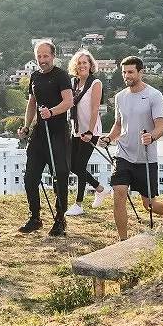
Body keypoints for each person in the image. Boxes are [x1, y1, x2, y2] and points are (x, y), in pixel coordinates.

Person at [100, 56, 163, 240]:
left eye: (131, 72)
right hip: (123, 154)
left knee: (148, 204)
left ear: (141, 72)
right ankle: (122, 241)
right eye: (124, 72)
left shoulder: (154, 95)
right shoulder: (120, 97)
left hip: (146, 158)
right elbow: (119, 125)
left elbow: (161, 126)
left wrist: (152, 136)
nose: (127, 76)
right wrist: (109, 138)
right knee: (118, 193)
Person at [17, 40, 73, 236]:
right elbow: (32, 104)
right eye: (39, 56)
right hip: (40, 133)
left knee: (60, 176)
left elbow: (68, 102)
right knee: (30, 177)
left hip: (58, 132)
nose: (42, 60)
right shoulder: (34, 77)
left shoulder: (62, 76)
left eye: (45, 56)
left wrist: (52, 112)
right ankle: (35, 217)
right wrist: (26, 126)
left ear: (53, 56)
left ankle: (60, 219)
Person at [65, 49, 108, 216]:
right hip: (76, 130)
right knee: (73, 165)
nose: (82, 65)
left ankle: (79, 204)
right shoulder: (74, 83)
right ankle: (100, 188)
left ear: (90, 65)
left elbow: (95, 109)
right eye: (79, 63)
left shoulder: (95, 83)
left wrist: (90, 131)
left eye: (85, 62)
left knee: (79, 165)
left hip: (90, 130)